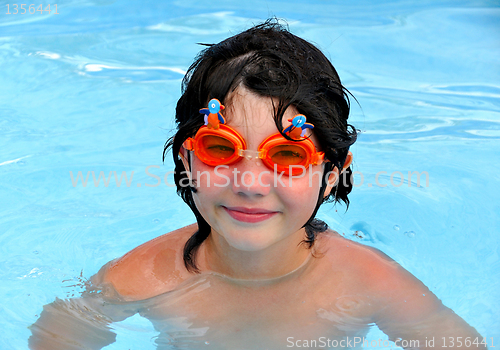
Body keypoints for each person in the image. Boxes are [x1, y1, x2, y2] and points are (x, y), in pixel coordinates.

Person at [29, 20, 486, 350]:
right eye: (220, 149)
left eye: (287, 155)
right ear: (187, 158)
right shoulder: (143, 277)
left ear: (333, 173)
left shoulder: (368, 280)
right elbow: (57, 334)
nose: (249, 183)